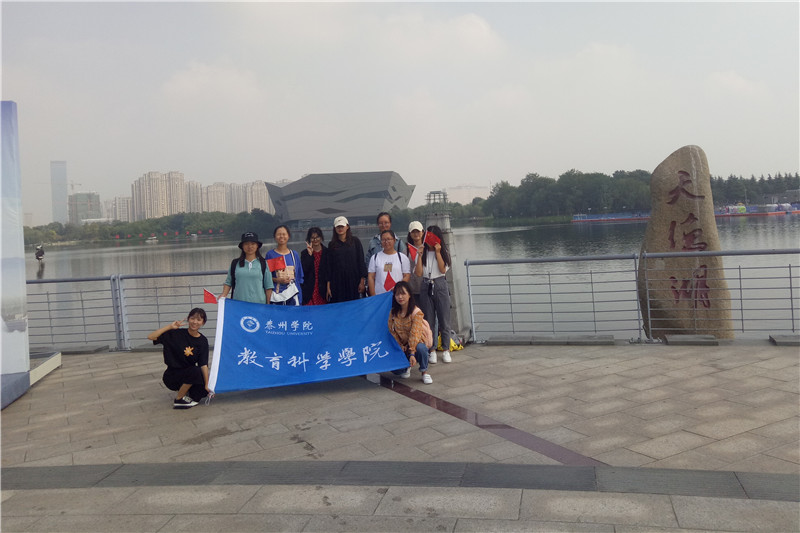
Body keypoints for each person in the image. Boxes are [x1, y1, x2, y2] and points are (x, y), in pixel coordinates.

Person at [147, 308, 210, 409]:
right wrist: (170, 327)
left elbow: (203, 364)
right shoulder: (176, 334)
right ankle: (179, 399)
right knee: (195, 371)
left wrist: (207, 384)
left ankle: (187, 390)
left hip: (189, 373)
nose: (195, 322)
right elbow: (151, 337)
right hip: (172, 375)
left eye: (199, 320)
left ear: (203, 323)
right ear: (188, 319)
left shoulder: (202, 341)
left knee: (202, 391)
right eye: (192, 318)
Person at [416, 225, 453, 364]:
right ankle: (431, 350)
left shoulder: (444, 252)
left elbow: (443, 270)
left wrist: (438, 252)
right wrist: (419, 256)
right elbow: (418, 273)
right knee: (429, 320)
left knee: (444, 319)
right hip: (426, 284)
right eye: (428, 236)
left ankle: (446, 349)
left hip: (440, 284)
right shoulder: (422, 251)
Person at [388, 281, 432, 384]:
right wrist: (399, 345)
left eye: (403, 293)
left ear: (409, 295)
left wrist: (412, 352)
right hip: (403, 345)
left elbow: (415, 333)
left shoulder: (416, 312)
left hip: (417, 342)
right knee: (396, 370)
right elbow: (392, 331)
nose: (400, 297)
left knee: (421, 348)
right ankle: (407, 366)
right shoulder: (393, 312)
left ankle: (424, 372)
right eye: (397, 294)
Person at [219, 232, 273, 304]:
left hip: (259, 305)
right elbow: (228, 282)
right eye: (246, 244)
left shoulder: (263, 263)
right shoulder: (235, 263)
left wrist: (268, 305)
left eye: (253, 244)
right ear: (242, 246)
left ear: (257, 246)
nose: (250, 246)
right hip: (239, 304)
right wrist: (223, 295)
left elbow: (268, 286)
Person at [327, 216, 367, 303]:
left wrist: (362, 281)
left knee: (355, 304)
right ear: (334, 228)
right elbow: (329, 266)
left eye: (342, 226)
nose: (340, 229)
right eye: (338, 227)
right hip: (337, 282)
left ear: (347, 226)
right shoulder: (332, 245)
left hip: (353, 280)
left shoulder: (355, 241)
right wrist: (328, 286)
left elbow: (361, 261)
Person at [266, 225, 304, 306]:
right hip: (277, 296)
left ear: (288, 236)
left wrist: (300, 297)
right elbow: (267, 278)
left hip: (293, 296)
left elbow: (299, 277)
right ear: (275, 237)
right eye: (279, 234)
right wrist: (278, 280)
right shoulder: (271, 255)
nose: (281, 236)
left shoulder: (294, 255)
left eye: (284, 234)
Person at [368, 230, 411, 296]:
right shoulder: (375, 257)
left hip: (398, 295)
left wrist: (397, 288)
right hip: (380, 295)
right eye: (383, 240)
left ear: (394, 240)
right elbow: (371, 277)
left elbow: (407, 275)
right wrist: (373, 295)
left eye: (388, 239)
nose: (386, 242)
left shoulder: (402, 257)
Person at [300, 226, 329, 305]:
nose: (315, 240)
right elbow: (304, 270)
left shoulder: (327, 252)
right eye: (312, 238)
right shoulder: (304, 253)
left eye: (317, 237)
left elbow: (329, 271)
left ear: (321, 237)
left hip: (323, 289)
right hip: (309, 289)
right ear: (309, 239)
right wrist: (310, 255)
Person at [405, 221, 425, 298]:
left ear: (423, 232)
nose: (416, 234)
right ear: (410, 234)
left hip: (426, 288)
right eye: (413, 232)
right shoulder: (406, 251)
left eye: (418, 231)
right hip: (412, 289)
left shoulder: (427, 249)